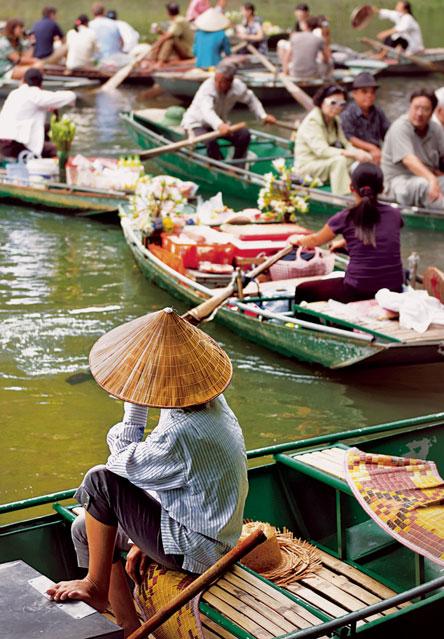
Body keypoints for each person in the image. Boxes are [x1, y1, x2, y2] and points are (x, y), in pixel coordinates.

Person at [46, 308, 248, 637]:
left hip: (195, 548)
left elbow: (119, 465)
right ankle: (127, 624)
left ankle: (95, 587)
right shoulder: (213, 402)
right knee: (84, 528)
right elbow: (173, 477)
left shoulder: (181, 433)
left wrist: (134, 404)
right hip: (203, 528)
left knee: (98, 482)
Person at [290, 163, 404, 304]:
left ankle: (308, 326)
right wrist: (343, 243)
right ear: (382, 188)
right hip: (395, 288)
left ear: (351, 187)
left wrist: (297, 240)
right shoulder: (395, 214)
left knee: (303, 290)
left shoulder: (345, 217)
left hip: (358, 290)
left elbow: (315, 240)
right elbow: (380, 235)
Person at [181, 61, 276, 163]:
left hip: (219, 125)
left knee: (244, 135)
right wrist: (220, 125)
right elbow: (207, 111)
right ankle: (219, 167)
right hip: (197, 124)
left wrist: (263, 116)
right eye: (216, 80)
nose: (218, 84)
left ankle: (237, 164)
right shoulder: (207, 88)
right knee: (211, 141)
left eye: (222, 81)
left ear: (230, 81)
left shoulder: (237, 86)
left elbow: (251, 99)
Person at [294, 84, 371, 195]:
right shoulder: (312, 122)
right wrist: (350, 153)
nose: (336, 107)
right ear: (322, 102)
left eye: (341, 104)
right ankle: (343, 196)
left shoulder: (335, 120)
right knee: (339, 161)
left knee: (357, 159)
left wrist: (359, 153)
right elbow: (322, 150)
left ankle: (365, 190)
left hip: (323, 162)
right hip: (307, 166)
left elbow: (345, 143)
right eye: (333, 103)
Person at [381, 89, 444, 209]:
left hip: (427, 177)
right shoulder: (400, 127)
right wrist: (431, 179)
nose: (419, 113)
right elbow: (409, 160)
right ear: (410, 107)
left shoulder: (436, 129)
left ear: (432, 112)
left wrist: (434, 178)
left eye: (425, 109)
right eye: (416, 107)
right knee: (424, 185)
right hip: (398, 182)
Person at [0, 68, 76, 158]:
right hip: (14, 144)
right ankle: (58, 168)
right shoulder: (35, 94)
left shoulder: (15, 93)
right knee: (56, 149)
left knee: (48, 127)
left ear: (23, 80)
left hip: (4, 141)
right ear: (41, 84)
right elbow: (71, 96)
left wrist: (51, 106)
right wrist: (53, 104)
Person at [340, 72, 390, 166]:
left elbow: (387, 133)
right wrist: (372, 148)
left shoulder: (378, 112)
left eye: (372, 92)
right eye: (364, 92)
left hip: (377, 153)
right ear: (354, 94)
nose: (369, 95)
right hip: (356, 155)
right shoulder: (348, 113)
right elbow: (349, 138)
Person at [282, 16, 330, 80]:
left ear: (306, 25)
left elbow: (286, 57)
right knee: (330, 63)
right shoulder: (319, 39)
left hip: (295, 73)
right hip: (312, 74)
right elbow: (326, 59)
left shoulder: (294, 37)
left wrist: (285, 73)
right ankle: (326, 80)